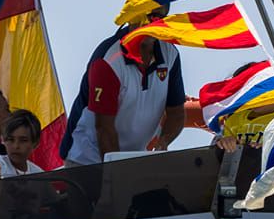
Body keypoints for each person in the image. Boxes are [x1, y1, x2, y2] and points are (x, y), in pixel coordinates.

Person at [62, 21, 185, 163]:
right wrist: (119, 175)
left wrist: (164, 141)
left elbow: (177, 113)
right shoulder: (108, 60)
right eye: (144, 15)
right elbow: (104, 129)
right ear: (131, 18)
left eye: (157, 15)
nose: (149, 21)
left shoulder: (170, 53)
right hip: (84, 159)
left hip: (132, 161)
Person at [0, 108, 42, 177]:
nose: (16, 146)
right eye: (10, 139)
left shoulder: (38, 174)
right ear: (3, 140)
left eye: (23, 140)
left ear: (35, 143)